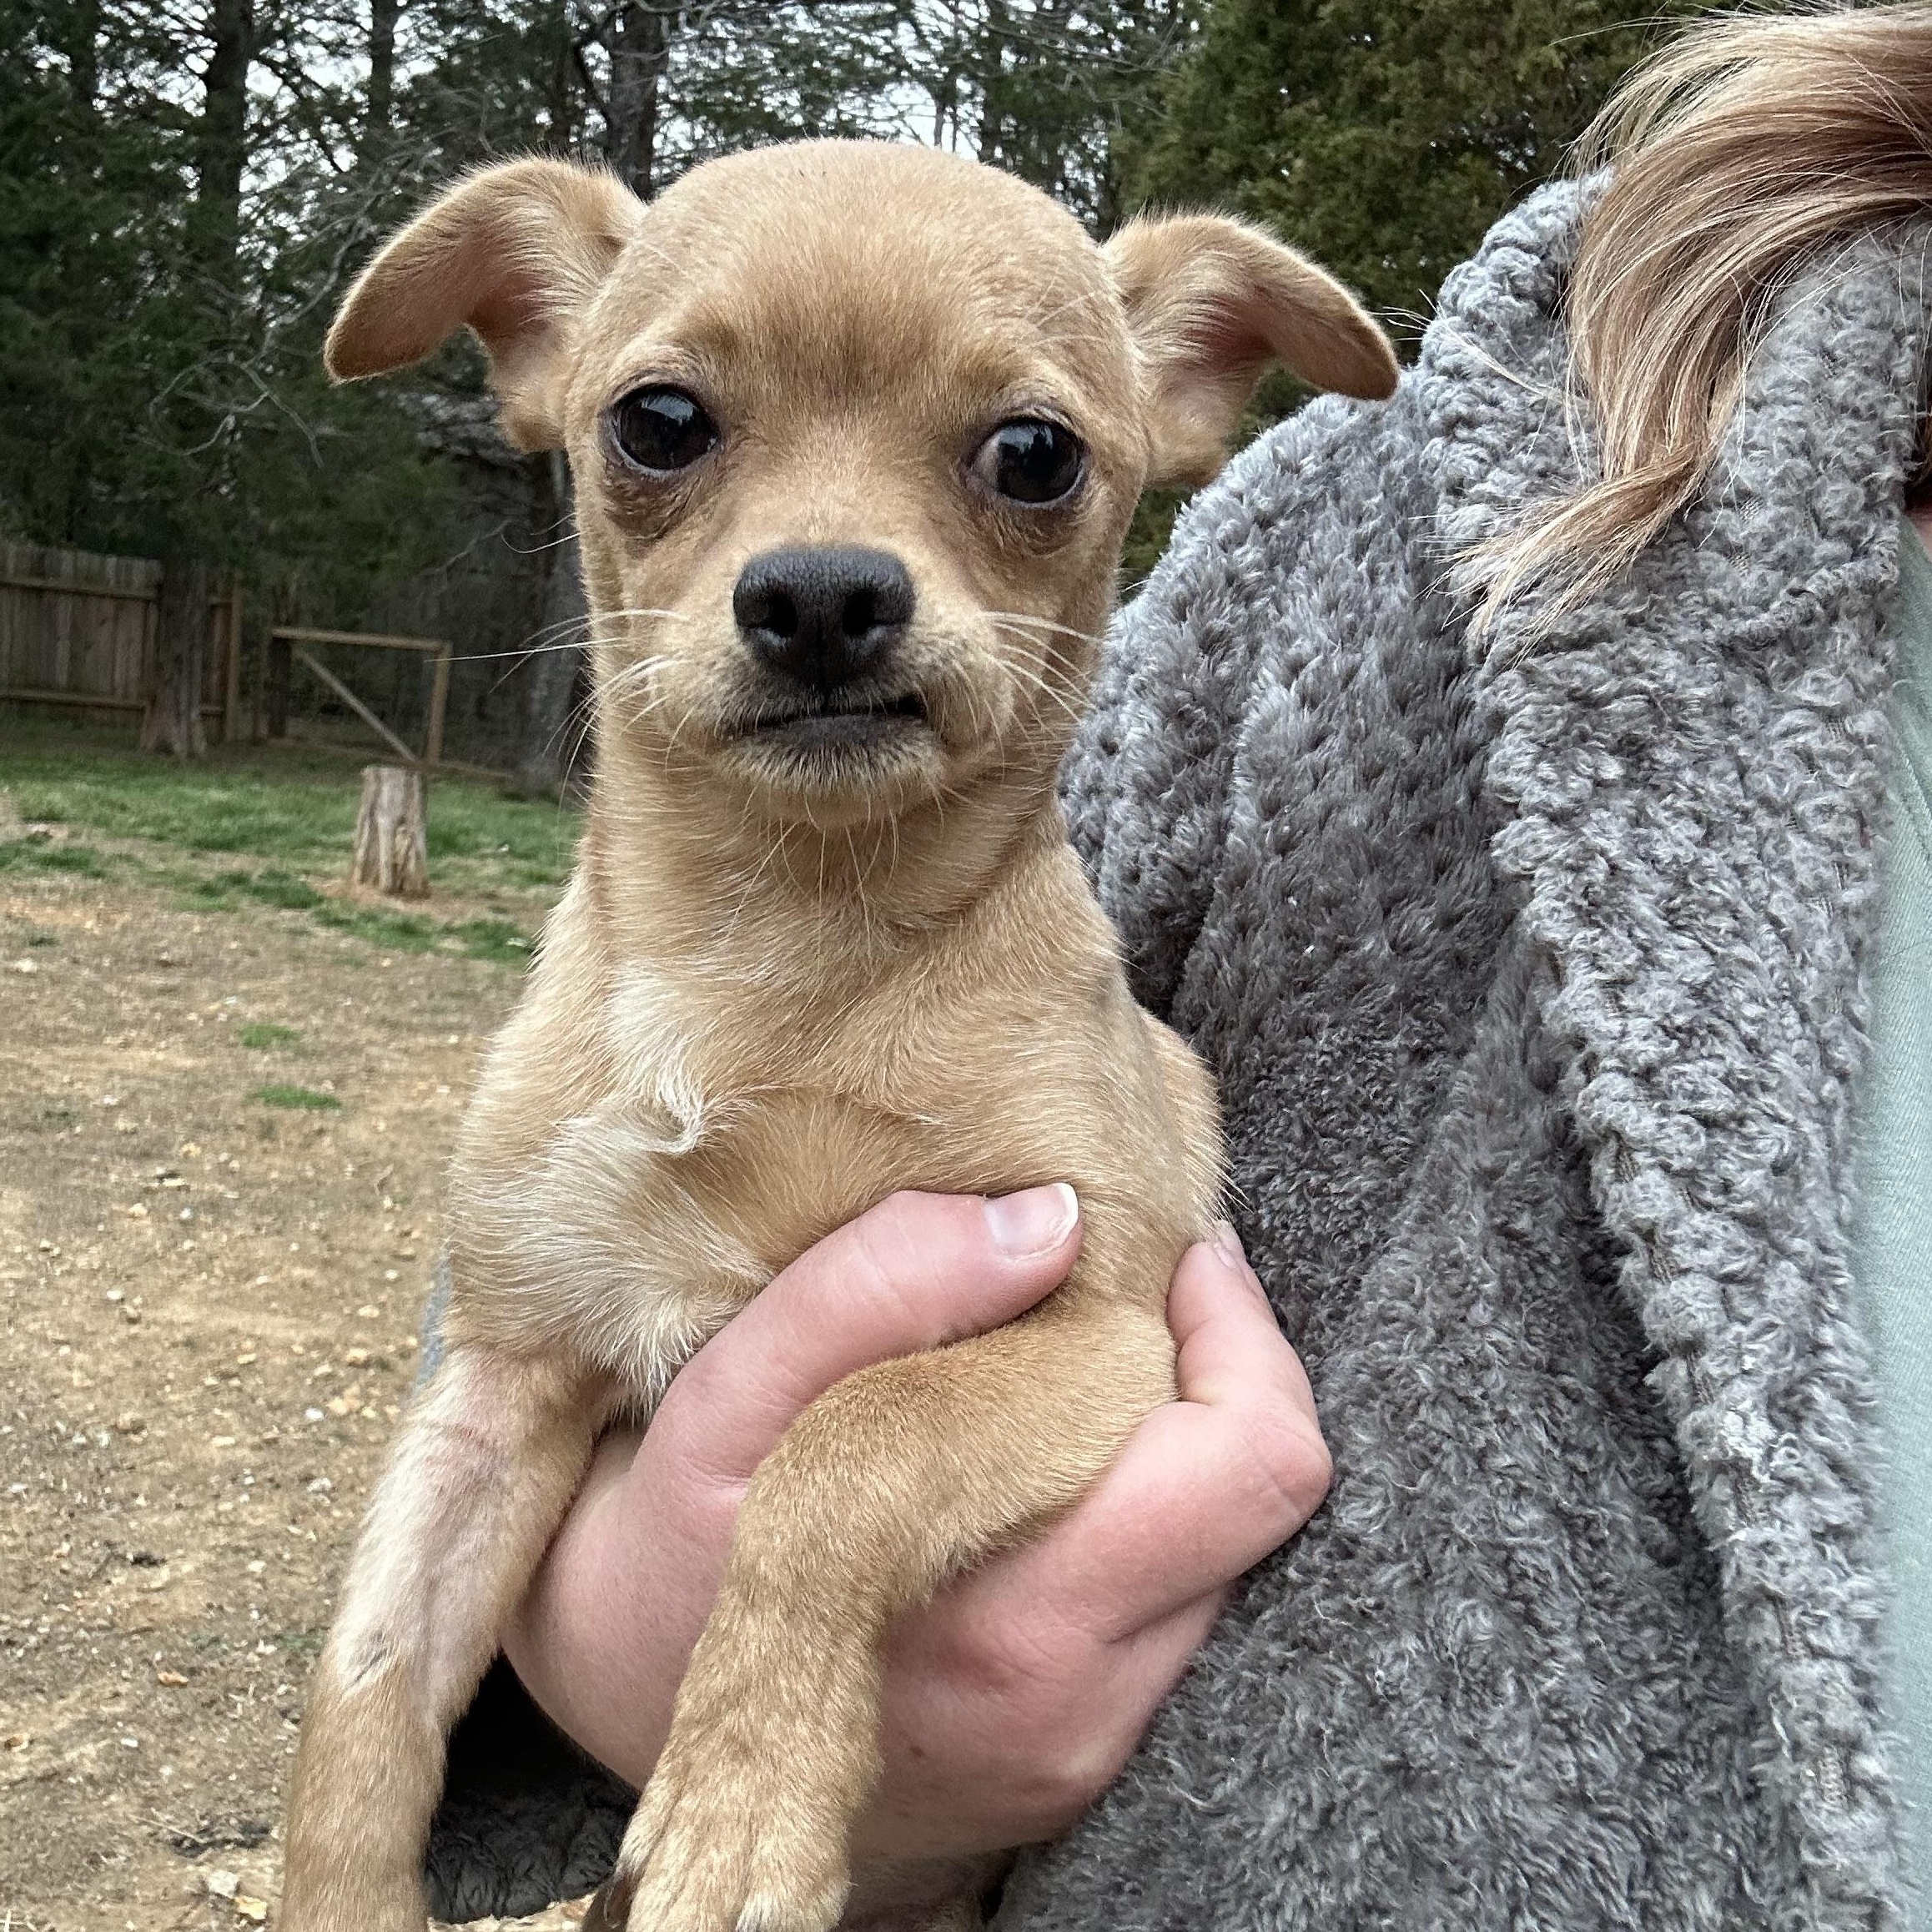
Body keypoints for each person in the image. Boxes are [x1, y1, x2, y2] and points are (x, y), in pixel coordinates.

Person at [420, 6, 1932, 1926]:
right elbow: (540, 1254)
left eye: (1024, 463)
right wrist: (608, 1639)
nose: (825, 563)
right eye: (670, 431)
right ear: (551, 361)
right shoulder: (1397, 522)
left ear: (1178, 396)